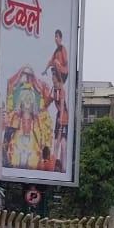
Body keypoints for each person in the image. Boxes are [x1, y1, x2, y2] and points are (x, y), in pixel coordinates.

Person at [45, 30, 69, 172]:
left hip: (63, 118)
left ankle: (62, 168)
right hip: (58, 118)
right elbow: (47, 103)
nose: (53, 81)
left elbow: (61, 107)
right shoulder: (53, 90)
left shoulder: (62, 90)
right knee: (56, 143)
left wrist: (60, 126)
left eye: (57, 36)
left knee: (63, 145)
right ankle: (54, 166)